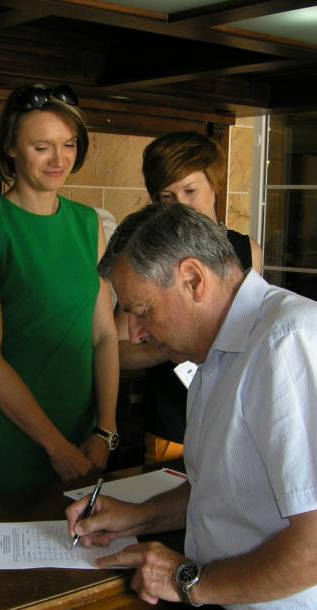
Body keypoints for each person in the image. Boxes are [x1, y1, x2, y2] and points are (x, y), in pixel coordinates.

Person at [68, 203, 317, 610]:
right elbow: (233, 487)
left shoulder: (291, 342)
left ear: (193, 279)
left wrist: (187, 580)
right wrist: (139, 514)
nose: (134, 333)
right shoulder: (218, 354)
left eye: (141, 311)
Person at [0, 84, 120, 500]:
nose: (59, 159)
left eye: (69, 145)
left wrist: (106, 429)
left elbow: (104, 335)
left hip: (86, 432)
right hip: (17, 432)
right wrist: (55, 447)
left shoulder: (89, 224)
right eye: (42, 147)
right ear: (11, 148)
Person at [119, 131, 263, 463]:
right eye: (167, 197)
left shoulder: (247, 251)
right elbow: (118, 352)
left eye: (190, 191)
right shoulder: (146, 255)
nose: (180, 206)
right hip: (172, 422)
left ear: (215, 184)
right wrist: (173, 345)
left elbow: (254, 335)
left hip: (233, 419)